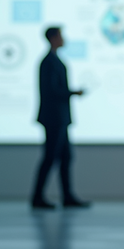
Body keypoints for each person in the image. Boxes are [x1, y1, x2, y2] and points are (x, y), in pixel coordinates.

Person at [30, 27, 89, 210]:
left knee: (65, 157)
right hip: (54, 117)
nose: (64, 39)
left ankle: (67, 196)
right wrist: (73, 92)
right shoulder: (48, 62)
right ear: (54, 38)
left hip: (60, 117)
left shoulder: (54, 60)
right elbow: (51, 90)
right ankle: (37, 197)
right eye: (61, 36)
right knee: (50, 157)